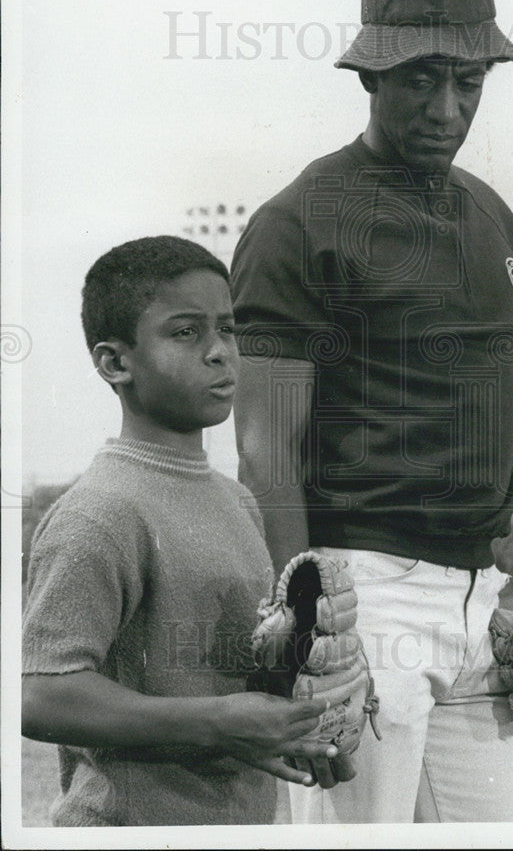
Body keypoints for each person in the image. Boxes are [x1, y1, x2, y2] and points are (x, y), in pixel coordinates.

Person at [230, 0, 513, 824]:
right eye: (420, 79)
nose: (447, 107)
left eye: (469, 82)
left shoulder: (489, 215)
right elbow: (265, 445)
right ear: (369, 75)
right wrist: (307, 620)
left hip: (478, 597)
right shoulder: (300, 221)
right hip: (358, 591)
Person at [21, 235, 339, 827]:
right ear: (116, 362)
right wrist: (219, 720)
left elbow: (232, 676)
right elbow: (41, 696)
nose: (220, 352)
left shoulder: (239, 502)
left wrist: (298, 718)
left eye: (228, 328)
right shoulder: (101, 512)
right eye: (186, 332)